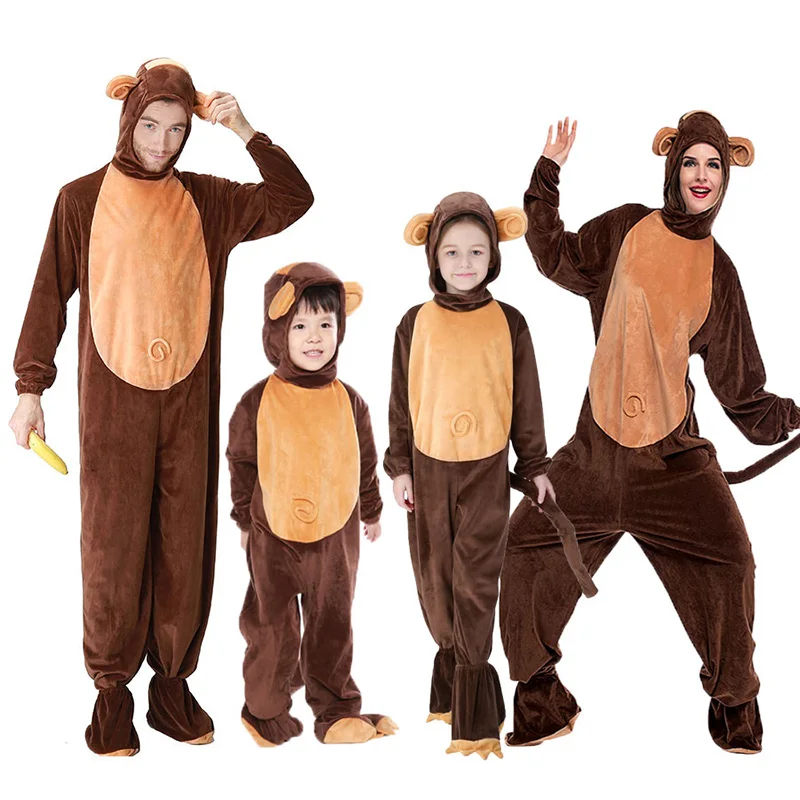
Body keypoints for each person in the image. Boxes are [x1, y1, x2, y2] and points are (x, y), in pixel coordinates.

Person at [8, 58, 314, 756]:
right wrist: (30, 389)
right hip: (112, 407)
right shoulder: (81, 199)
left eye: (177, 129)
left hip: (187, 404)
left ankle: (171, 688)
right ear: (127, 117)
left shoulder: (209, 200)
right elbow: (48, 294)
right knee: (112, 547)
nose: (161, 142)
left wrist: (244, 129)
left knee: (184, 543)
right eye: (150, 125)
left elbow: (293, 198)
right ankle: (111, 694)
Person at [499, 112, 800, 754]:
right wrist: (548, 173)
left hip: (672, 466)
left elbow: (742, 393)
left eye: (713, 165)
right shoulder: (625, 228)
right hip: (592, 458)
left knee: (733, 559)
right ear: (672, 166)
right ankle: (539, 698)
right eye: (690, 162)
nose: (701, 175)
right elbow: (555, 255)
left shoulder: (720, 273)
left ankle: (735, 704)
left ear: (727, 176)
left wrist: (793, 417)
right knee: (523, 547)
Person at [384, 193, 555, 759]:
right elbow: (401, 402)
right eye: (452, 252)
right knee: (434, 583)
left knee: (475, 582)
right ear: (433, 255)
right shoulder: (414, 323)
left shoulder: (511, 323)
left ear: (494, 254)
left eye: (476, 251)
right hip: (428, 469)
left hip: (486, 471)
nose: (464, 262)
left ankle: (477, 716)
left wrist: (535, 466)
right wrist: (400, 466)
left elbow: (527, 400)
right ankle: (449, 679)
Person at [227, 262, 396, 747]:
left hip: (335, 537)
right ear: (278, 332)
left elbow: (364, 460)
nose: (315, 337)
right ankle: (264, 710)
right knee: (271, 626)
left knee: (332, 622)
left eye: (326, 323)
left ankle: (337, 711)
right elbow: (242, 461)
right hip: (273, 535)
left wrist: (371, 510)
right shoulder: (256, 401)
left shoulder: (351, 401)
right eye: (299, 326)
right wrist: (244, 519)